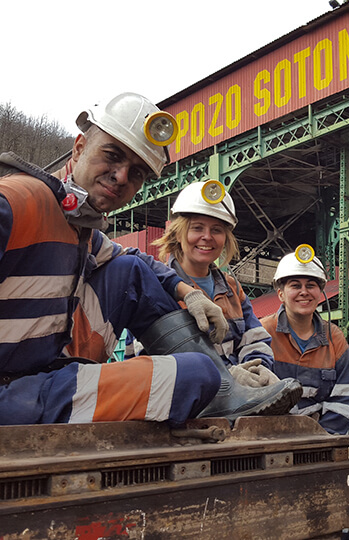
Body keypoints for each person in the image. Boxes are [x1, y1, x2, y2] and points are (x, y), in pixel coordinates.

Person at [0, 92, 300, 426]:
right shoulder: (17, 201)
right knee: (195, 375)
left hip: (41, 375)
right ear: (80, 146)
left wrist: (189, 292)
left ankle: (220, 389)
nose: (122, 176)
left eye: (138, 172)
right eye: (111, 156)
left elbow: (134, 260)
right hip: (15, 397)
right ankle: (216, 390)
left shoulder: (79, 229)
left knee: (130, 270)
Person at [151, 180, 291, 391]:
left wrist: (256, 368)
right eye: (197, 228)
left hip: (233, 398)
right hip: (181, 399)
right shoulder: (158, 286)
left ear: (226, 239)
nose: (207, 237)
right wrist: (225, 375)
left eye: (216, 230)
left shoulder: (233, 289)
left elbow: (255, 340)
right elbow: (154, 359)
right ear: (178, 234)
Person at [261, 250, 349, 435]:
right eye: (295, 285)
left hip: (320, 439)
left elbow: (342, 398)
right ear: (280, 294)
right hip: (270, 438)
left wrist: (324, 441)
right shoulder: (263, 333)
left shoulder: (334, 338)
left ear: (320, 293)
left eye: (311, 285)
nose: (304, 292)